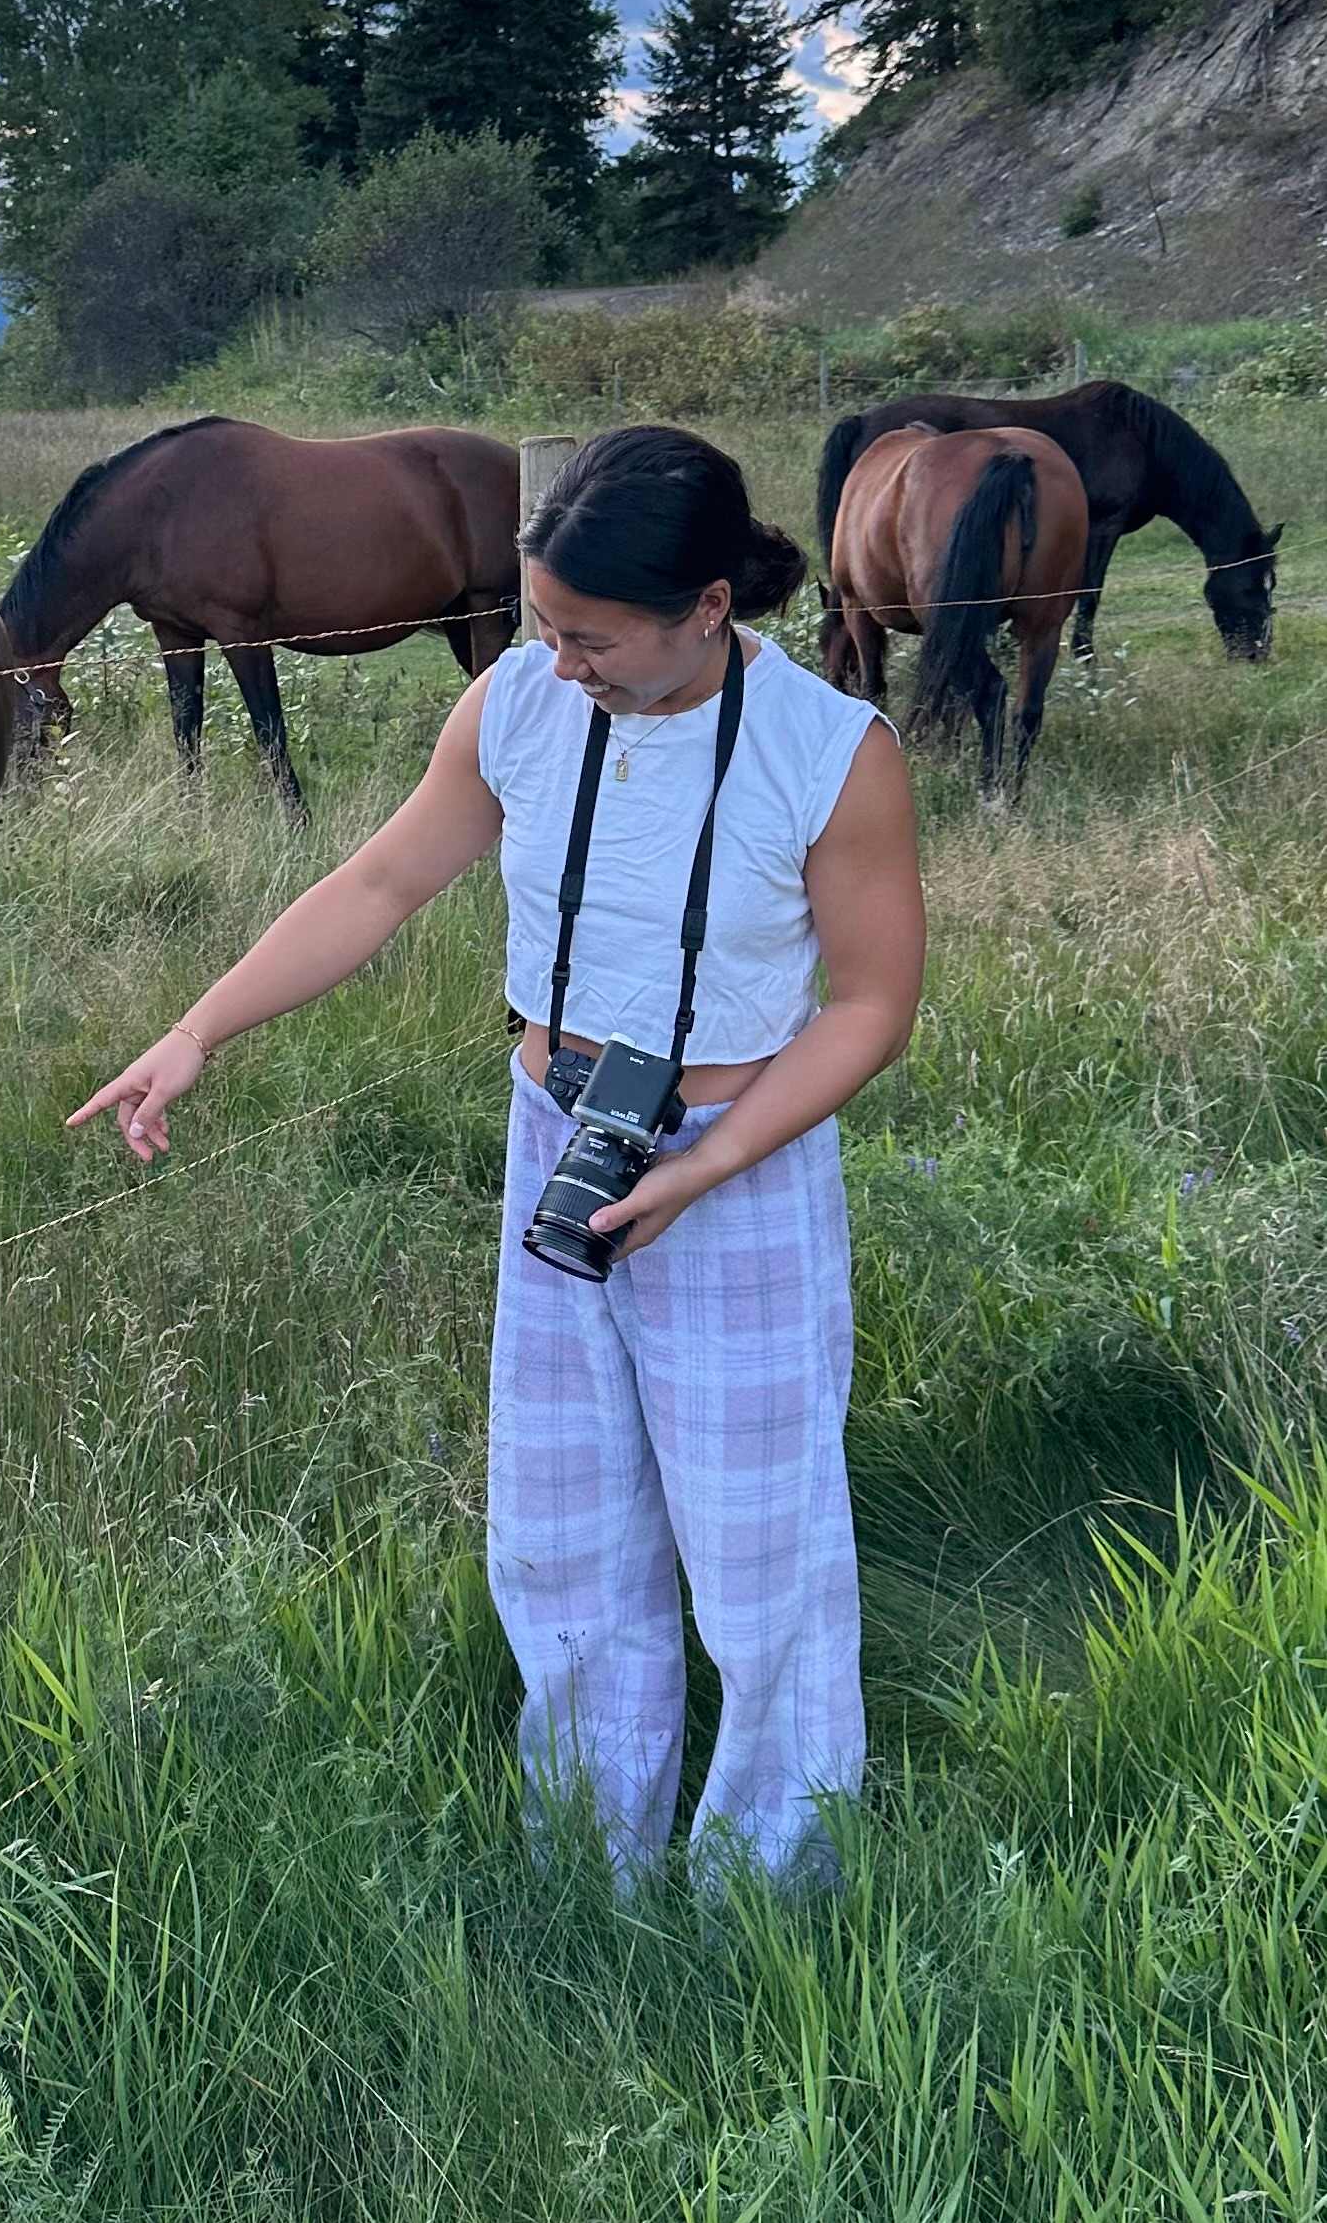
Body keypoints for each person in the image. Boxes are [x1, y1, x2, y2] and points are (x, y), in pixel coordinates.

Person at [70, 424, 925, 1894]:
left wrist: (703, 1171)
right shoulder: (515, 704)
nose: (560, 663)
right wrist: (198, 1031)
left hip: (736, 1168)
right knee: (562, 1530)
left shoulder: (832, 754)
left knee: (760, 1544)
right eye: (543, 627)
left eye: (592, 639)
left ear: (710, 608)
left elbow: (869, 1009)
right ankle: (589, 1861)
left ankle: (770, 1889)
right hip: (558, 1141)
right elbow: (380, 880)